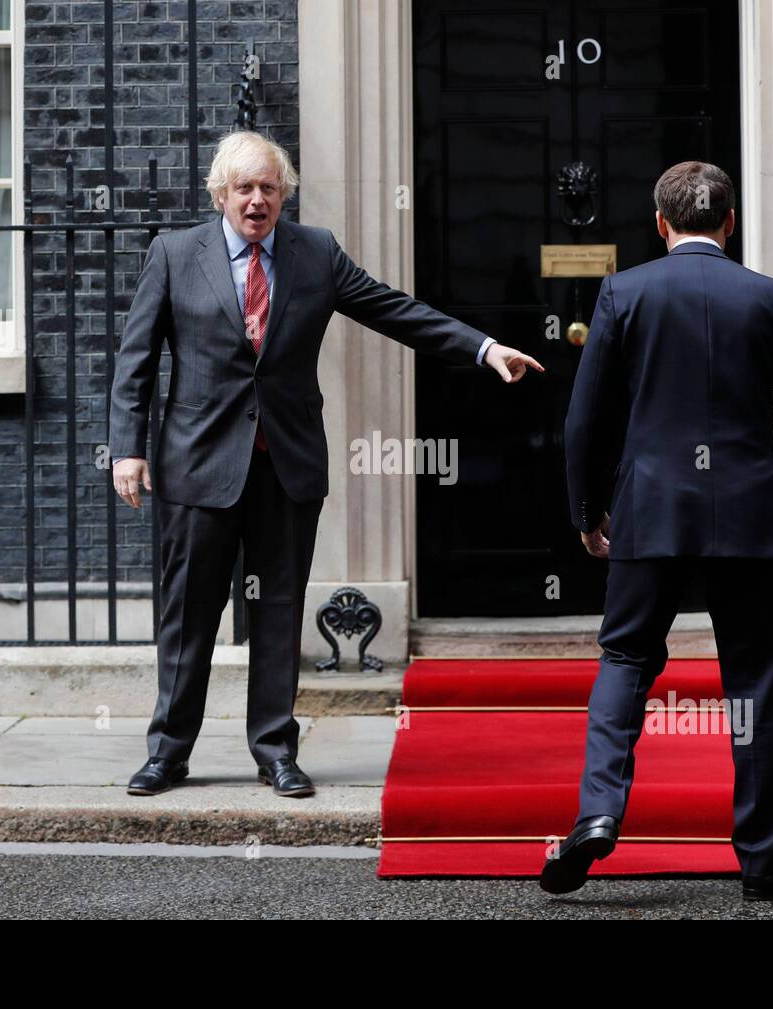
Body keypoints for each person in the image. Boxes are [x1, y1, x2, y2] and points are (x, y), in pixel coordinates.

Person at [109, 130, 544, 799]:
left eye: (270, 188)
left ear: (284, 194)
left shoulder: (315, 253)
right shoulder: (174, 254)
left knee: (280, 611)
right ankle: (168, 751)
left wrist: (483, 348)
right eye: (245, 188)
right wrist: (128, 449)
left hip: (285, 465)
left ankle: (276, 749)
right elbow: (135, 359)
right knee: (188, 616)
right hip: (196, 467)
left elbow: (395, 310)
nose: (257, 201)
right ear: (220, 194)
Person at [540, 161, 773, 899]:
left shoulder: (623, 291)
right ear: (729, 223)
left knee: (627, 658)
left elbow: (585, 420)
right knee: (755, 680)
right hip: (750, 514)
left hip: (652, 510)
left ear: (661, 224)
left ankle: (600, 813)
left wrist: (587, 510)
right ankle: (762, 860)